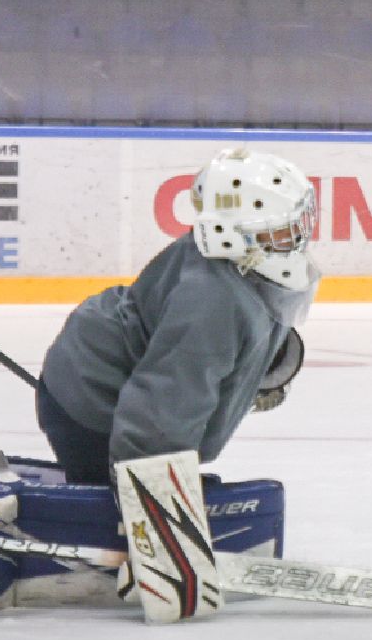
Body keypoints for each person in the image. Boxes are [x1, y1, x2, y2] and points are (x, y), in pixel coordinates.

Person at [34, 146, 319, 486]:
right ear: (236, 231)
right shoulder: (213, 301)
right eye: (281, 230)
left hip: (99, 375)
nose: (296, 237)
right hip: (92, 402)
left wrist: (257, 365)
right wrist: (154, 489)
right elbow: (165, 402)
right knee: (124, 490)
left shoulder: (234, 265)